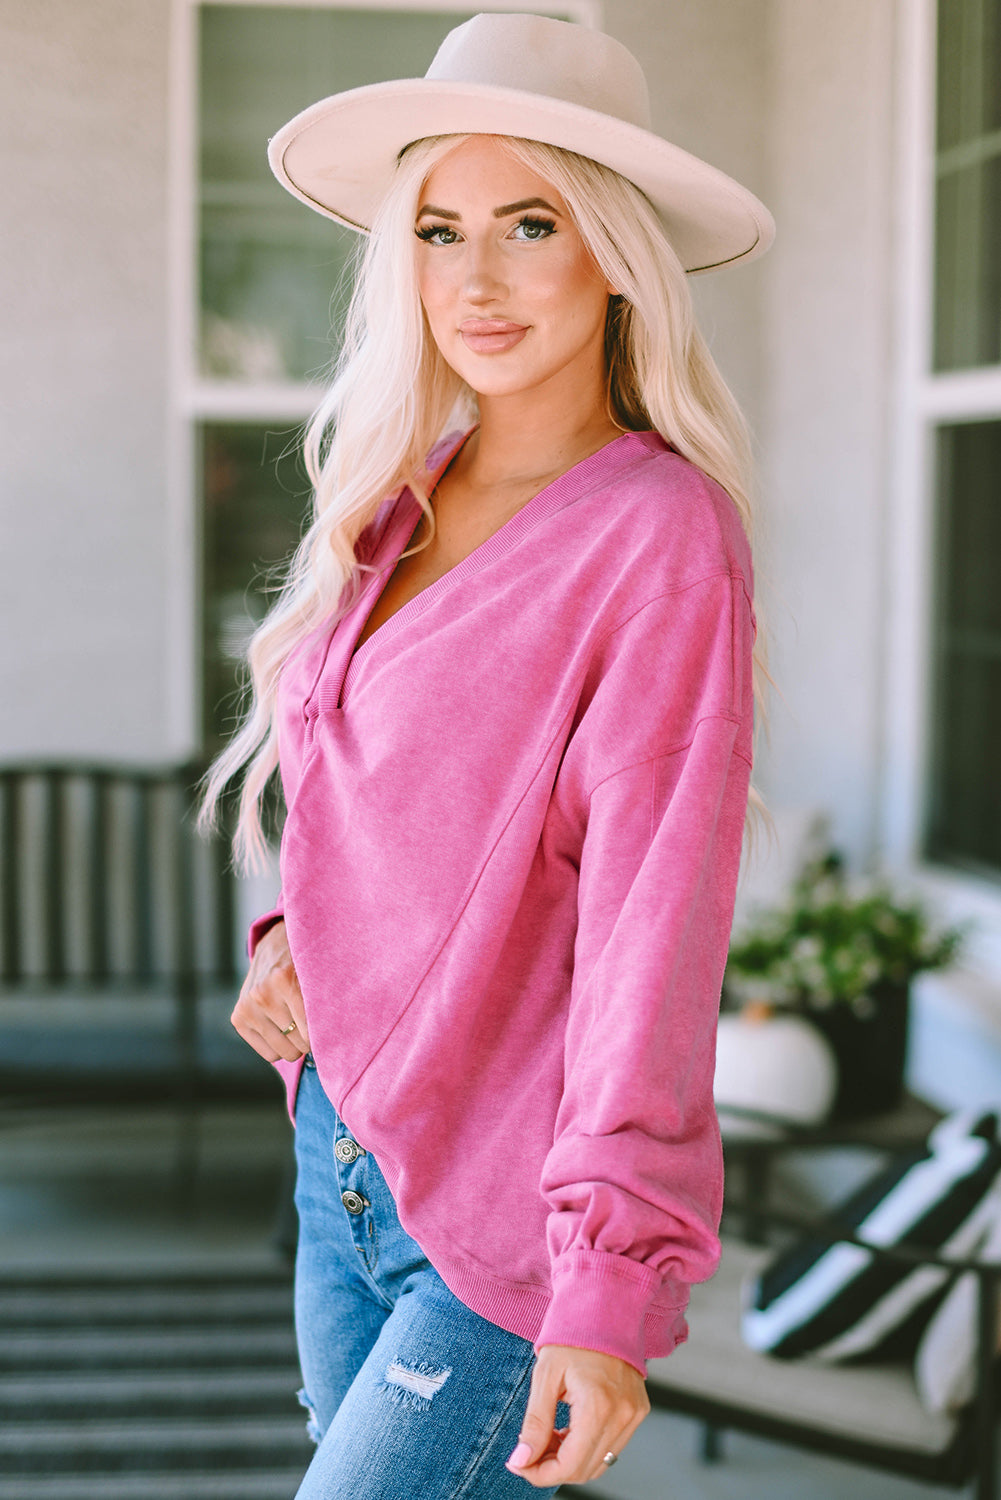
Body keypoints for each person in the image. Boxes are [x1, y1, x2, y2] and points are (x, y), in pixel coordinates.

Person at [199, 12, 773, 1498]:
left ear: (611, 256)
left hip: (505, 1213)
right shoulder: (400, 496)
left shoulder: (658, 535)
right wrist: (290, 944)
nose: (477, 275)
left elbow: (654, 922)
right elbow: (383, 820)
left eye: (531, 223)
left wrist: (610, 1284)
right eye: (441, 230)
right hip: (343, 1159)